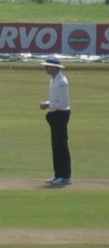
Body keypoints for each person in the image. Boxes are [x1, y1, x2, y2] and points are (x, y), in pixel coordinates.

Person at [41, 58, 72, 187]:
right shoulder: (53, 80)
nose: (46, 69)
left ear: (54, 67)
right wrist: (49, 104)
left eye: (48, 66)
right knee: (56, 145)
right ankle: (58, 175)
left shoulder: (62, 82)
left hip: (61, 115)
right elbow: (56, 100)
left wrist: (49, 105)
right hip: (55, 114)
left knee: (61, 145)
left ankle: (65, 176)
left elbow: (65, 103)